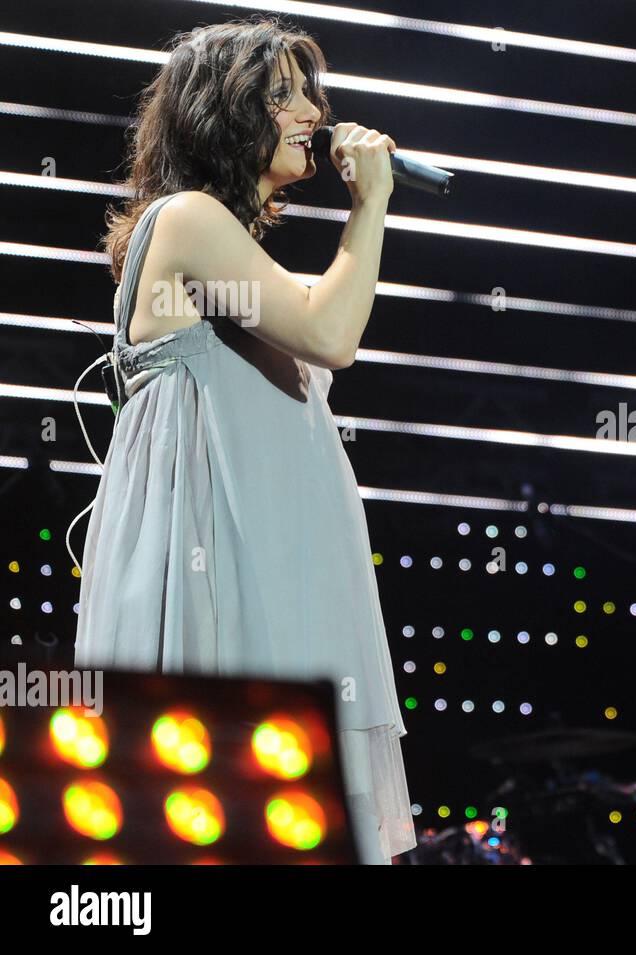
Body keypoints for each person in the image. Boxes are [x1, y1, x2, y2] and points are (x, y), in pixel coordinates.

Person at [74, 19, 415, 862]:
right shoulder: (186, 219)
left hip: (269, 573)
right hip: (212, 576)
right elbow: (332, 332)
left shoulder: (233, 252)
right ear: (222, 115)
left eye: (309, 91)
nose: (313, 110)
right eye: (282, 94)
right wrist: (369, 205)